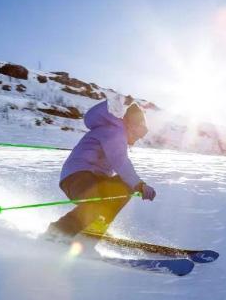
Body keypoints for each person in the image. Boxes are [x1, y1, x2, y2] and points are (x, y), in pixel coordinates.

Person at [43, 99, 156, 241]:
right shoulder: (115, 131)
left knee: (123, 185)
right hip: (77, 176)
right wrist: (139, 184)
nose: (138, 138)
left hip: (93, 177)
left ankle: (93, 229)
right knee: (96, 200)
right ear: (130, 125)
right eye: (139, 132)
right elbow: (120, 162)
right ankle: (58, 232)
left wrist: (134, 184)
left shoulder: (116, 132)